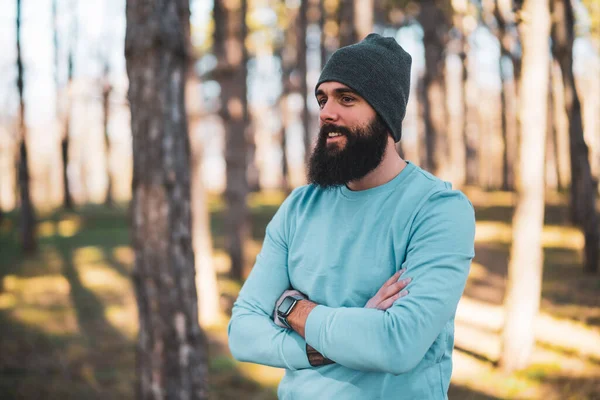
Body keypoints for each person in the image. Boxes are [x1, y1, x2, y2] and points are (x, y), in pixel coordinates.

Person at [227, 33, 475, 399]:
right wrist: (329, 343)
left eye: (347, 98)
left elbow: (397, 343)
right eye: (323, 98)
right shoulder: (299, 206)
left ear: (386, 114)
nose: (327, 112)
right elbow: (242, 333)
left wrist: (290, 308)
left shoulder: (437, 209)